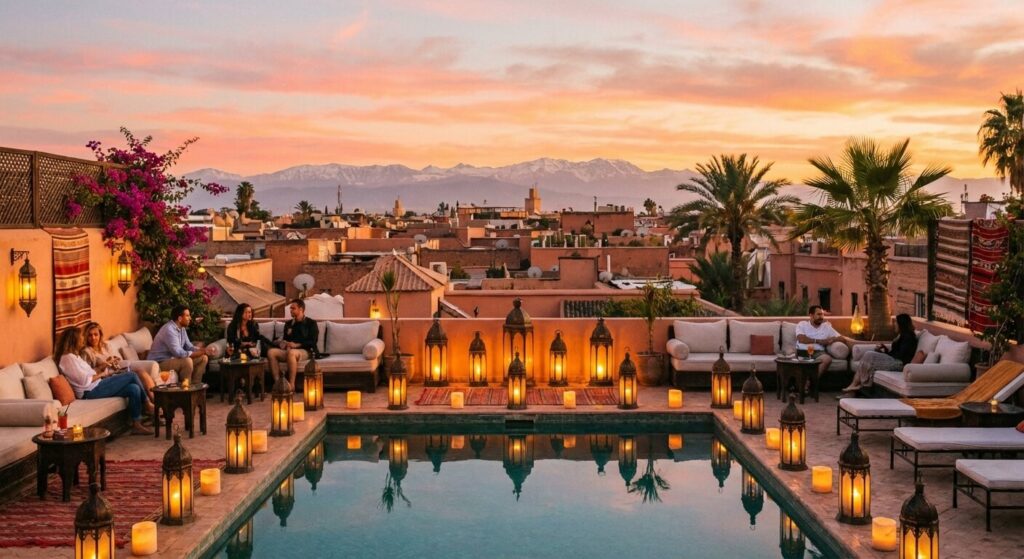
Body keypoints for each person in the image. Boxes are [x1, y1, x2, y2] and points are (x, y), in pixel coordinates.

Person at [55, 326, 153, 435]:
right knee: (132, 375)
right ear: (74, 340)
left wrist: (102, 367)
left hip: (96, 385)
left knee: (133, 388)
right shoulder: (67, 358)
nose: (83, 339)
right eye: (81, 337)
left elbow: (89, 373)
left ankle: (136, 424)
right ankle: (148, 404)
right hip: (89, 392)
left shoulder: (75, 356)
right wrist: (104, 374)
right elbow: (84, 381)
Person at [841, 314, 917, 397]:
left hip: (900, 364)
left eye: (896, 323)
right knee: (867, 359)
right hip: (895, 360)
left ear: (901, 324)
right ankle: (855, 387)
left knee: (869, 356)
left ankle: (859, 386)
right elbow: (895, 352)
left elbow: (901, 355)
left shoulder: (908, 338)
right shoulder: (901, 335)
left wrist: (884, 355)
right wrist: (884, 351)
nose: (894, 325)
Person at [81, 321, 162, 399]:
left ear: (100, 335)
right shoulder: (86, 352)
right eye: (90, 335)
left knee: (141, 375)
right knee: (137, 374)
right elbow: (88, 374)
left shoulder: (104, 346)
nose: (93, 338)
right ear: (86, 337)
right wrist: (104, 365)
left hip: (116, 371)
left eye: (96, 334)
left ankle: (155, 400)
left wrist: (114, 359)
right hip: (105, 378)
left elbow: (111, 360)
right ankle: (150, 402)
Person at [148, 305, 210, 384]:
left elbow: (189, 346)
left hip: (172, 359)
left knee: (203, 358)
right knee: (187, 361)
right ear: (180, 318)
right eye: (187, 316)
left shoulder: (182, 328)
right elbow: (179, 353)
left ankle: (196, 386)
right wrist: (200, 352)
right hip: (160, 362)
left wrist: (204, 350)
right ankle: (186, 388)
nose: (190, 318)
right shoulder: (169, 330)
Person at [268, 299, 318, 386]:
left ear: (301, 309)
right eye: (290, 308)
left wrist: (297, 345)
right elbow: (286, 339)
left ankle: (291, 386)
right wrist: (284, 344)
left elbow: (313, 341)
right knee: (271, 352)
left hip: (306, 350)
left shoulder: (311, 323)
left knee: (291, 353)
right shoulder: (288, 324)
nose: (291, 310)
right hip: (289, 350)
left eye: (293, 308)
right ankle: (279, 384)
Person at [795, 305, 847, 379]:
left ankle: (811, 381)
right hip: (803, 351)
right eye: (819, 314)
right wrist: (819, 341)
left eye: (822, 314)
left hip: (818, 352)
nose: (821, 317)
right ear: (811, 315)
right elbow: (801, 339)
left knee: (827, 359)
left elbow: (842, 338)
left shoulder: (826, 327)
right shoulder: (802, 324)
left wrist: (832, 339)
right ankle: (808, 382)